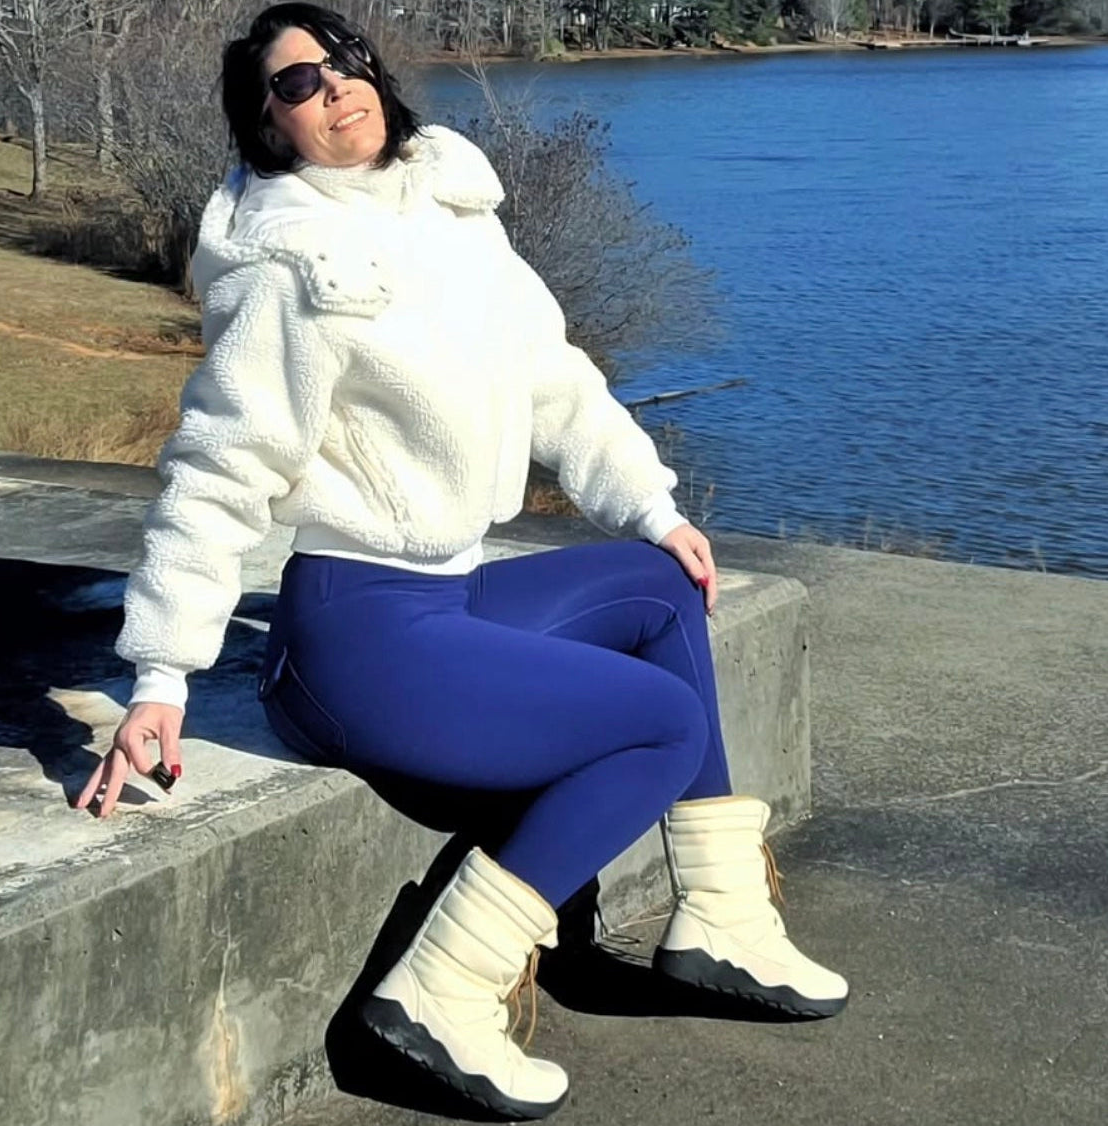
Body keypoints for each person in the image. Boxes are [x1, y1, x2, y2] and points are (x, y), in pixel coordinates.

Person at [76, 4, 848, 1119]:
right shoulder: (289, 260)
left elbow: (553, 375)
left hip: (455, 590)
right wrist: (159, 673)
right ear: (268, 126)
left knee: (657, 588)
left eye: (345, 62)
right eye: (299, 84)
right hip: (357, 635)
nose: (336, 86)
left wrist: (649, 504)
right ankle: (439, 991)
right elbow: (219, 463)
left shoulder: (450, 204)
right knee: (657, 721)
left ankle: (721, 922)